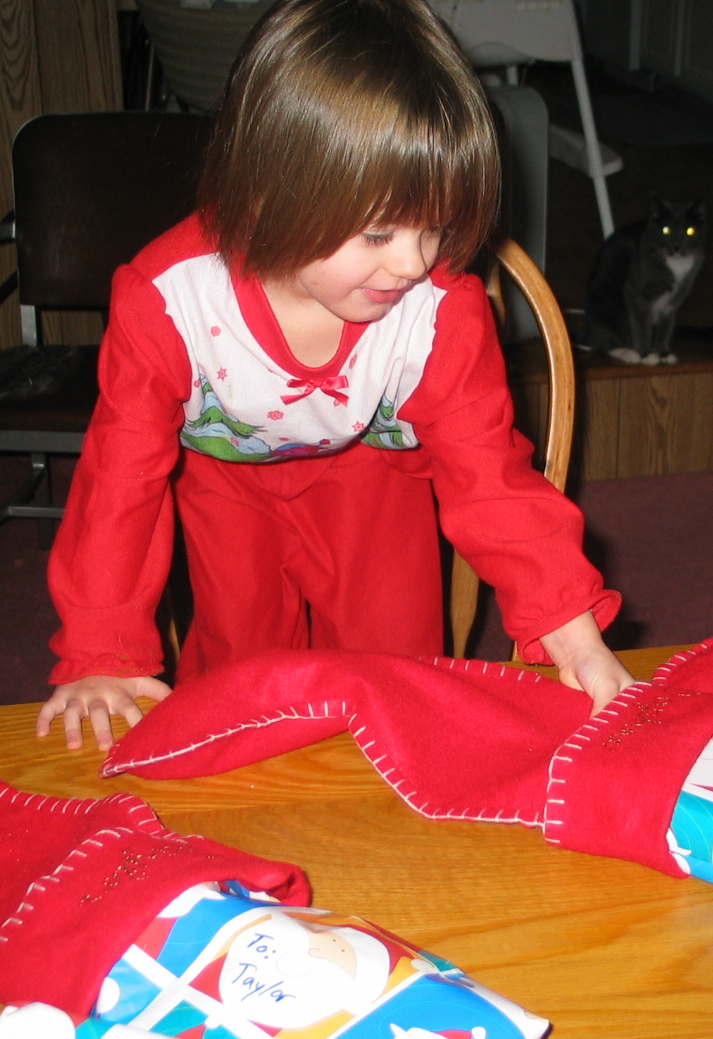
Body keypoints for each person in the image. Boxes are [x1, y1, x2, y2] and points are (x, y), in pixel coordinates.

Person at [37, 0, 632, 750]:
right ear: (266, 194)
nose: (413, 263)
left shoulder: (441, 309)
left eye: (436, 227)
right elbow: (119, 484)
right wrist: (100, 652)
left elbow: (491, 478)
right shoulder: (169, 301)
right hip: (226, 484)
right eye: (380, 232)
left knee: (399, 684)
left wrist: (572, 633)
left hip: (373, 477)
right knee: (240, 685)